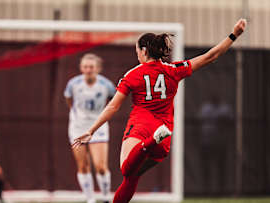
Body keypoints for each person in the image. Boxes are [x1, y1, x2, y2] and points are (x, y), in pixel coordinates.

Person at [72, 19, 247, 203]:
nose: (137, 54)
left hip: (140, 129)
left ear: (144, 51)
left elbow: (113, 106)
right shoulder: (174, 70)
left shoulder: (133, 74)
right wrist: (234, 34)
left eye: (137, 51)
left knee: (126, 170)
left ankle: (149, 141)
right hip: (165, 133)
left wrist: (91, 130)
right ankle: (153, 141)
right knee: (132, 178)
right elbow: (211, 56)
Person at [64, 53, 116, 203]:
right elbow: (68, 99)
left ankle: (106, 197)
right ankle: (90, 199)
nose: (88, 70)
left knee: (100, 166)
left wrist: (101, 116)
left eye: (91, 67)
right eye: (85, 67)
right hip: (78, 127)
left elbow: (114, 100)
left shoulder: (106, 85)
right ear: (81, 68)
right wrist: (77, 115)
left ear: (98, 69)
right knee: (83, 165)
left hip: (98, 126)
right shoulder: (73, 84)